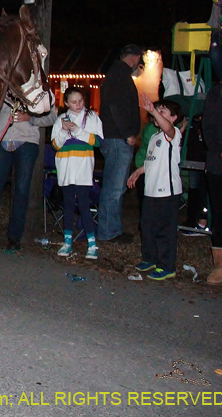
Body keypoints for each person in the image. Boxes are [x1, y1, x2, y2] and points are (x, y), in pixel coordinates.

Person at [0, 99, 57, 250]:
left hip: (27, 142)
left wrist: (31, 119)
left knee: (21, 190)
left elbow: (52, 116)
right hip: (1, 141)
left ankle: (14, 237)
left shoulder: (39, 88)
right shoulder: (4, 87)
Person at [126, 96, 182, 280]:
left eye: (163, 112)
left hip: (167, 191)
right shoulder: (155, 137)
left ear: (173, 118)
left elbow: (167, 127)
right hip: (150, 190)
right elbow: (152, 161)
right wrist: (138, 172)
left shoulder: (172, 134)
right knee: (147, 226)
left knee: (164, 230)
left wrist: (152, 110)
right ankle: (149, 258)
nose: (158, 115)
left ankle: (167, 266)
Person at [96, 44, 142, 243]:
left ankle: (112, 228)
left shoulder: (116, 74)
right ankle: (108, 231)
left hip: (115, 137)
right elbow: (115, 106)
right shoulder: (119, 75)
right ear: (135, 58)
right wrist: (127, 133)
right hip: (117, 138)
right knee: (114, 187)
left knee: (116, 186)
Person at [51, 87, 103, 259]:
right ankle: (67, 243)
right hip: (66, 168)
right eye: (73, 102)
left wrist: (78, 130)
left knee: (83, 204)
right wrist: (66, 131)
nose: (78, 104)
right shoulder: (60, 120)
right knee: (67, 204)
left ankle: (92, 244)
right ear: (66, 103)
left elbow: (98, 141)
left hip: (83, 168)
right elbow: (55, 145)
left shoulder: (92, 117)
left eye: (80, 100)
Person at [200, 46, 222, 288]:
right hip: (219, 164)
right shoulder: (216, 93)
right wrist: (220, 150)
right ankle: (221, 265)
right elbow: (208, 127)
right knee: (220, 215)